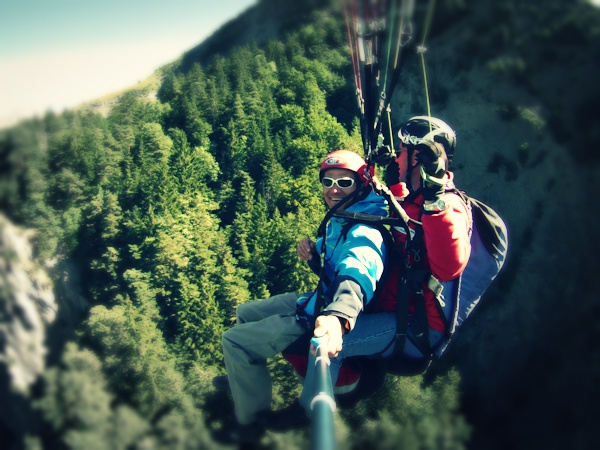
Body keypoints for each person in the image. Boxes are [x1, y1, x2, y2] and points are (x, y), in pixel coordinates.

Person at [212, 149, 391, 445]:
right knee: (246, 312)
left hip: (326, 312)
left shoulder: (364, 230)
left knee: (234, 341)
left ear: (362, 185)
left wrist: (338, 317)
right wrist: (311, 252)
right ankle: (242, 381)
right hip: (319, 299)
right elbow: (333, 257)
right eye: (328, 181)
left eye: (344, 183)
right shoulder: (345, 215)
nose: (334, 189)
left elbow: (358, 271)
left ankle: (250, 425)